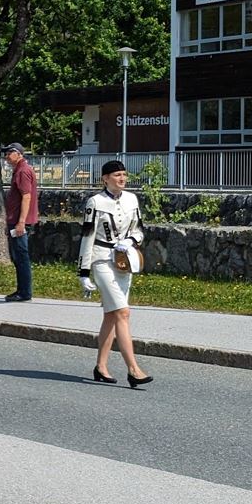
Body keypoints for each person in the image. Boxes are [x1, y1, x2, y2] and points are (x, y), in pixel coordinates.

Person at [78, 160, 152, 388]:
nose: (122, 178)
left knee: (111, 316)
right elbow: (87, 236)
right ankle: (134, 369)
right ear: (105, 179)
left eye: (124, 175)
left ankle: (101, 366)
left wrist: (130, 240)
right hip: (101, 260)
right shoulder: (95, 202)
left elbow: (139, 229)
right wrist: (83, 272)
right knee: (123, 312)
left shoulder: (132, 199)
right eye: (116, 175)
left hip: (123, 261)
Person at [1, 142, 38, 302]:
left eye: (9, 152)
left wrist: (21, 222)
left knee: (21, 256)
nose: (6, 156)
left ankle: (24, 292)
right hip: (15, 220)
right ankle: (21, 290)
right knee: (17, 256)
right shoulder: (20, 170)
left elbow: (27, 196)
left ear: (19, 154)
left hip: (19, 221)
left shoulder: (23, 171)